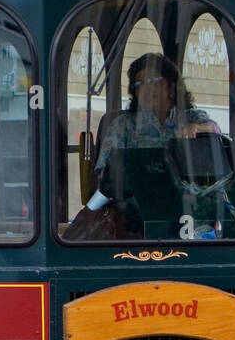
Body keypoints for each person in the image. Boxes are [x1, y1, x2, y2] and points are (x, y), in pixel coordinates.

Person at [67, 53, 218, 238]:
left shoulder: (193, 118)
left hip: (189, 212)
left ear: (171, 86)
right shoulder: (123, 125)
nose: (146, 88)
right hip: (135, 217)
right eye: (139, 84)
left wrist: (197, 128)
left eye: (153, 80)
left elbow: (216, 133)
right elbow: (104, 177)